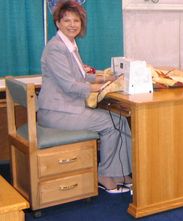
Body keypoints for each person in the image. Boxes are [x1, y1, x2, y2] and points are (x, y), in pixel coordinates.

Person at [37, 0, 132, 194]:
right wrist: (98, 85)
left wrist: (104, 76)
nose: (72, 24)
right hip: (57, 112)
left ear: (81, 24)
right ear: (58, 23)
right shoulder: (56, 48)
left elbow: (78, 75)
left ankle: (119, 172)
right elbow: (70, 85)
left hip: (65, 108)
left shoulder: (69, 45)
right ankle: (105, 175)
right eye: (67, 21)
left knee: (120, 120)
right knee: (113, 122)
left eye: (76, 20)